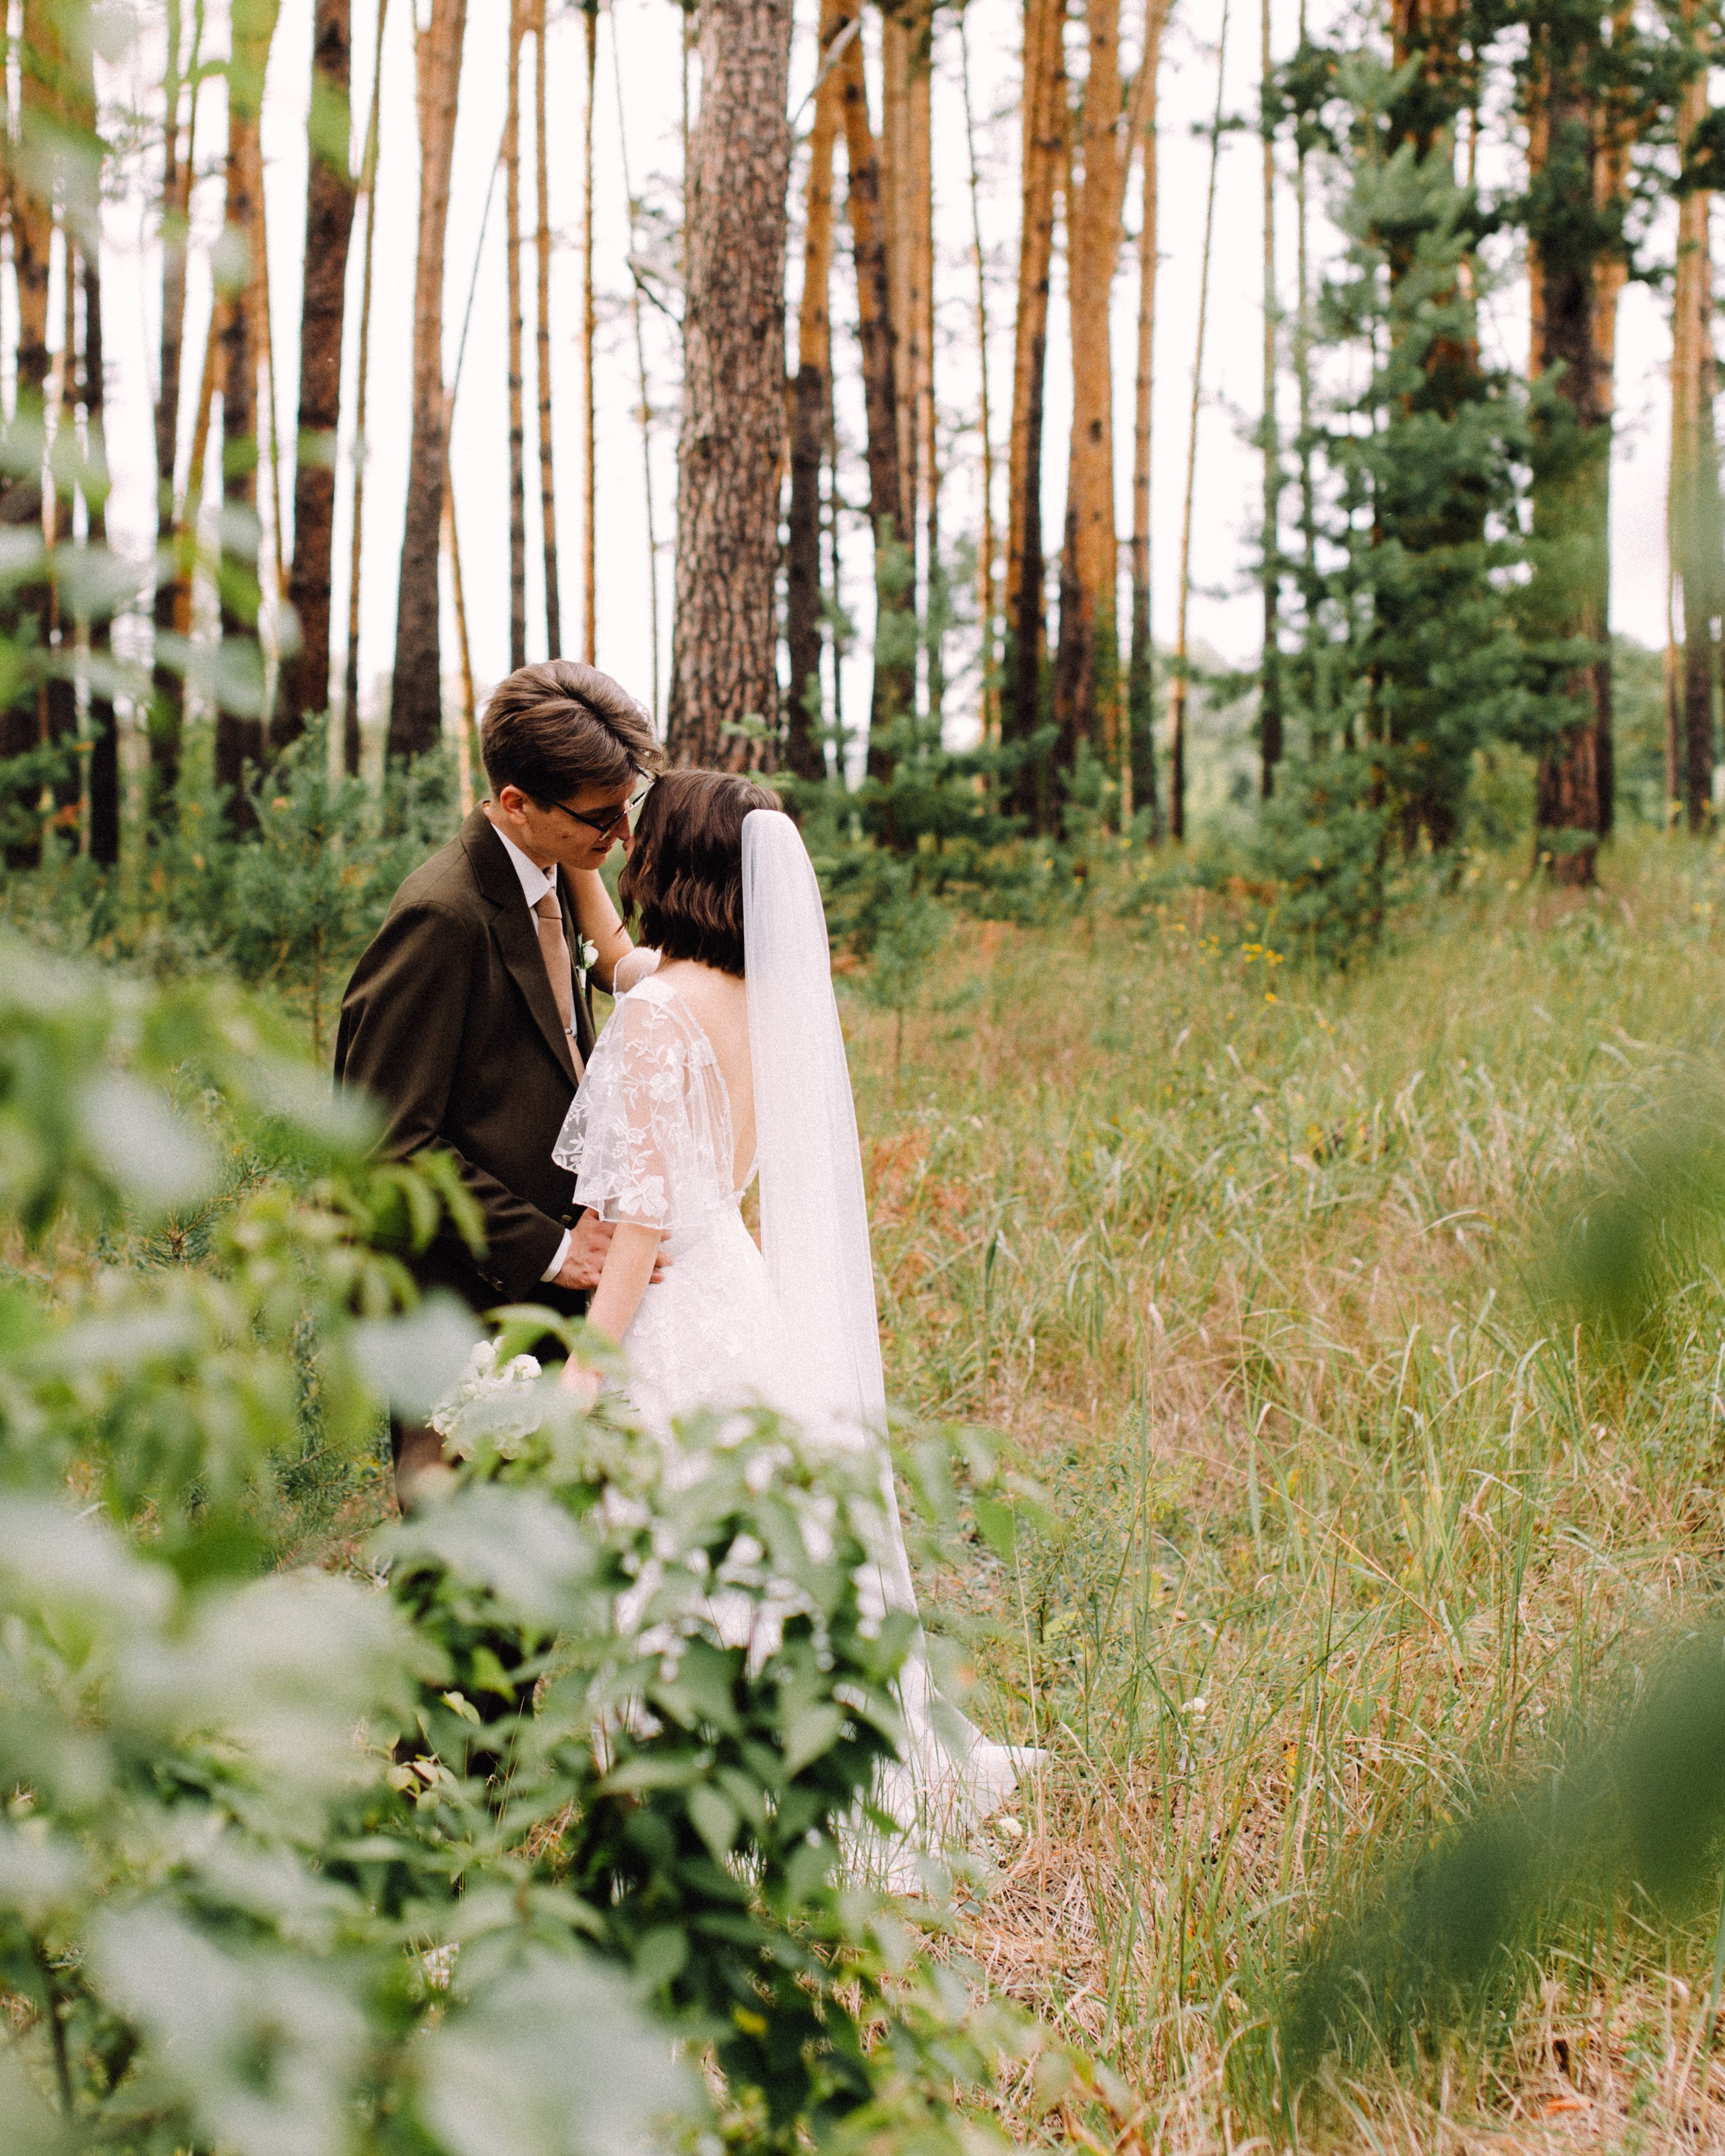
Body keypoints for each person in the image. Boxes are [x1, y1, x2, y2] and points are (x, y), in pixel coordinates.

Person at [553, 770, 1026, 1827]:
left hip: (677, 1300)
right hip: (741, 1293)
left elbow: (638, 1229)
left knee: (671, 1533)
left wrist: (584, 1377)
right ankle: (795, 1760)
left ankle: (692, 1793)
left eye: (639, 838)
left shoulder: (659, 1016)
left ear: (672, 864)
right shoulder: (761, 999)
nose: (623, 847)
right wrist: (583, 886)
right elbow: (628, 962)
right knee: (758, 1531)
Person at [334, 660, 664, 1507]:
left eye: (625, 805)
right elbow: (384, 1142)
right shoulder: (441, 918)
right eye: (599, 815)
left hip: (535, 1300)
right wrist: (553, 1249)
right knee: (457, 1562)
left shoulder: (550, 872)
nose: (622, 834)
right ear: (515, 802)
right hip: (462, 1304)